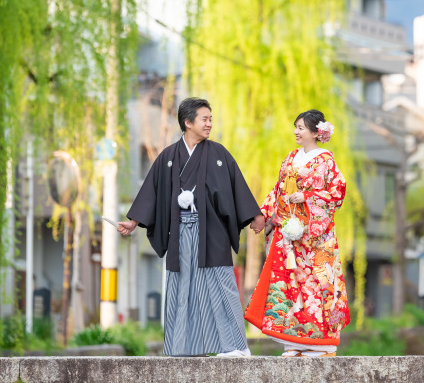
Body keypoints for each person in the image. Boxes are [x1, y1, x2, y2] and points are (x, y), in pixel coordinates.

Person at [117, 97, 265, 357]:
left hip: (213, 233)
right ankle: (182, 347)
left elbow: (236, 185)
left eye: (210, 119)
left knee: (220, 284)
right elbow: (151, 190)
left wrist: (253, 215)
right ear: (188, 122)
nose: (209, 124)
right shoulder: (169, 157)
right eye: (204, 119)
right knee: (182, 286)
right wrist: (133, 221)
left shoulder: (219, 154)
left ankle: (235, 346)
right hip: (181, 233)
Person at [244, 109, 350, 357]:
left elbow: (336, 194)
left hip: (315, 238)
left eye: (301, 128)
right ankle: (293, 342)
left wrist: (308, 196)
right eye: (296, 127)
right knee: (290, 286)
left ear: (316, 132)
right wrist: (264, 215)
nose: (296, 131)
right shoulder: (291, 157)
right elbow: (278, 190)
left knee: (317, 285)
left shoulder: (326, 160)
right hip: (290, 234)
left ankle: (321, 345)